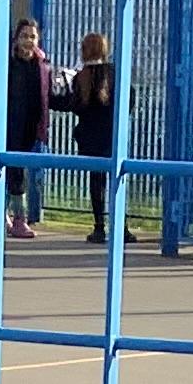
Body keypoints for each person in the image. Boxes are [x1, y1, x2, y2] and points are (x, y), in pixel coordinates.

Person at [64, 31, 124, 243]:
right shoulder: (115, 73)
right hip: (113, 135)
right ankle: (122, 227)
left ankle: (99, 227)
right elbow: (130, 98)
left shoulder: (81, 77)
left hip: (90, 137)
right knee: (118, 179)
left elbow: (76, 106)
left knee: (96, 182)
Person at [5, 15, 56, 239]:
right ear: (16, 39)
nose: (29, 41)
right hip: (10, 124)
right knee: (14, 171)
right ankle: (19, 218)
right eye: (24, 36)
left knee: (21, 171)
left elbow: (48, 96)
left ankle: (9, 215)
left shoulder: (42, 66)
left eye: (33, 37)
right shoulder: (8, 63)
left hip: (32, 126)